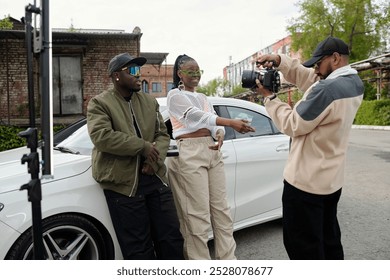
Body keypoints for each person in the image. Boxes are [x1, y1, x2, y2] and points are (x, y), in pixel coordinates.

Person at [255, 37, 364, 259]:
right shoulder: (354, 83)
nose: (315, 68)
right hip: (330, 181)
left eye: (318, 63)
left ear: (335, 58)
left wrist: (270, 99)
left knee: (304, 248)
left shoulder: (326, 89)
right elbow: (310, 78)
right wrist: (279, 60)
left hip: (305, 185)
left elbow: (292, 124)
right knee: (329, 241)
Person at [86, 53, 184, 260]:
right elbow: (101, 137)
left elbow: (162, 134)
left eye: (139, 70)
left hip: (155, 178)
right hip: (123, 184)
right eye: (132, 70)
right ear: (116, 76)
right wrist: (142, 147)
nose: (138, 75)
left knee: (171, 238)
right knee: (138, 248)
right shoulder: (100, 103)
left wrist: (153, 160)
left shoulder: (149, 102)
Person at [166, 54, 255, 260]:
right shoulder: (175, 96)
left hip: (211, 150)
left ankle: (227, 261)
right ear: (180, 74)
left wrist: (219, 134)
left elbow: (211, 123)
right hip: (189, 151)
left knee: (221, 211)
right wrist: (230, 123)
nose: (196, 75)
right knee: (196, 215)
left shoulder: (203, 97)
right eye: (191, 71)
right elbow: (194, 116)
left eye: (198, 71)